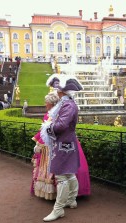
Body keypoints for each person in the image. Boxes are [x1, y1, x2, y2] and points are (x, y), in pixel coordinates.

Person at [41, 74, 85, 221]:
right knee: (69, 173)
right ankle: (71, 200)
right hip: (66, 142)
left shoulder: (67, 105)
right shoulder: (67, 104)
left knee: (61, 175)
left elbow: (60, 126)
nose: (55, 92)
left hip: (63, 143)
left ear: (62, 92)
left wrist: (48, 128)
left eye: (57, 90)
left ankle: (58, 209)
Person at [31, 92, 59, 200]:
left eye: (46, 102)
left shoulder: (55, 114)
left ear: (51, 103)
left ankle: (55, 194)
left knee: (50, 169)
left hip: (52, 147)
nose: (44, 104)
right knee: (45, 168)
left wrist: (40, 145)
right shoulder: (48, 114)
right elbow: (43, 131)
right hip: (46, 147)